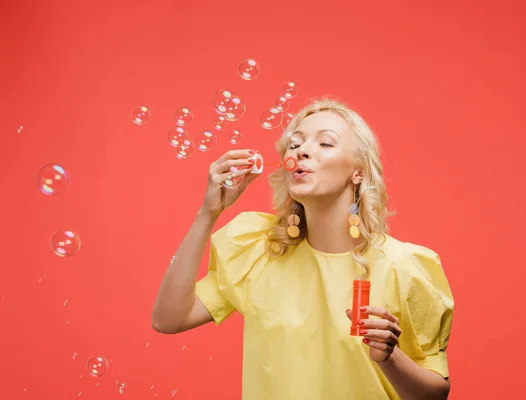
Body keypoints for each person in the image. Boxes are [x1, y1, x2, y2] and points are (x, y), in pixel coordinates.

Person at [152, 98, 454, 399]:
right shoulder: (261, 252)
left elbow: (435, 395)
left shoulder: (402, 266)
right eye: (295, 144)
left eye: (325, 143)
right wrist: (208, 213)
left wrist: (390, 357)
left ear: (358, 172)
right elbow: (169, 318)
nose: (301, 151)